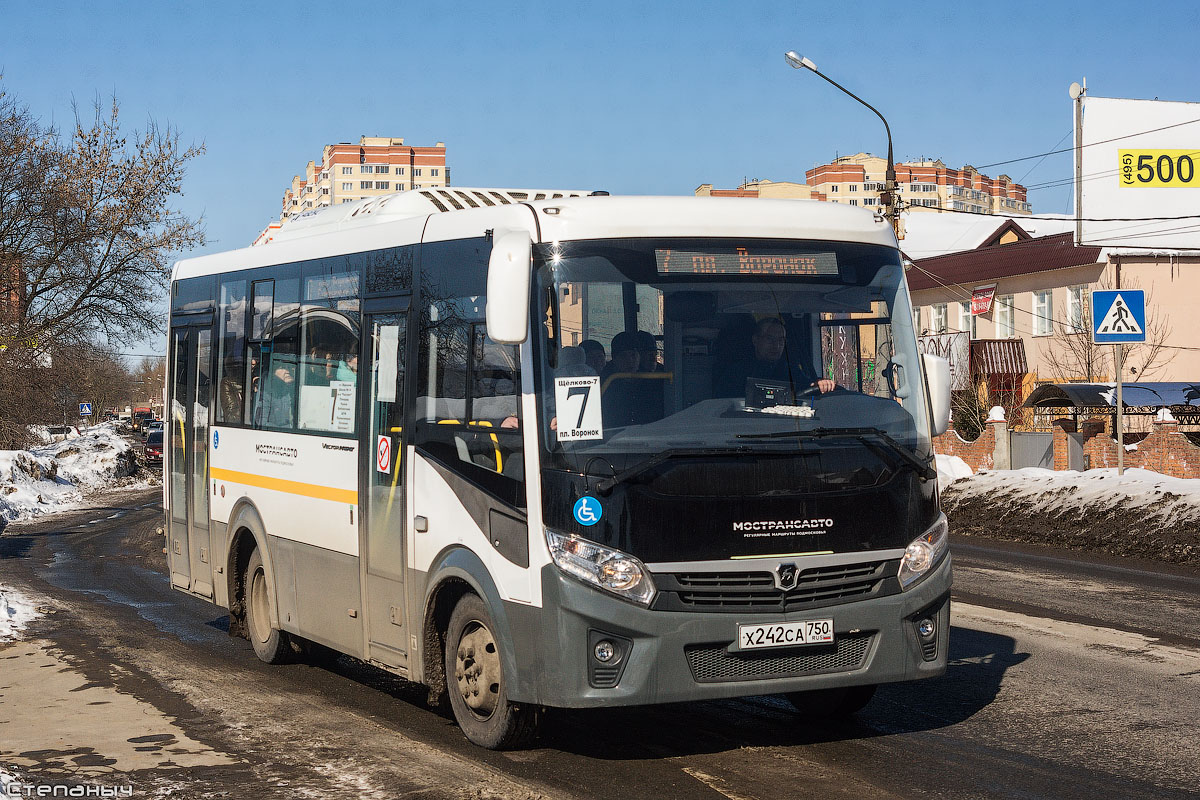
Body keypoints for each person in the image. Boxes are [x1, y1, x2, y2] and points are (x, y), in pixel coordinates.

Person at [714, 317, 834, 398]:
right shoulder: (735, 372)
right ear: (755, 340)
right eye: (770, 339)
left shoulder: (790, 371)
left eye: (781, 340)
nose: (776, 345)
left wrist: (820, 384)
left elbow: (808, 387)